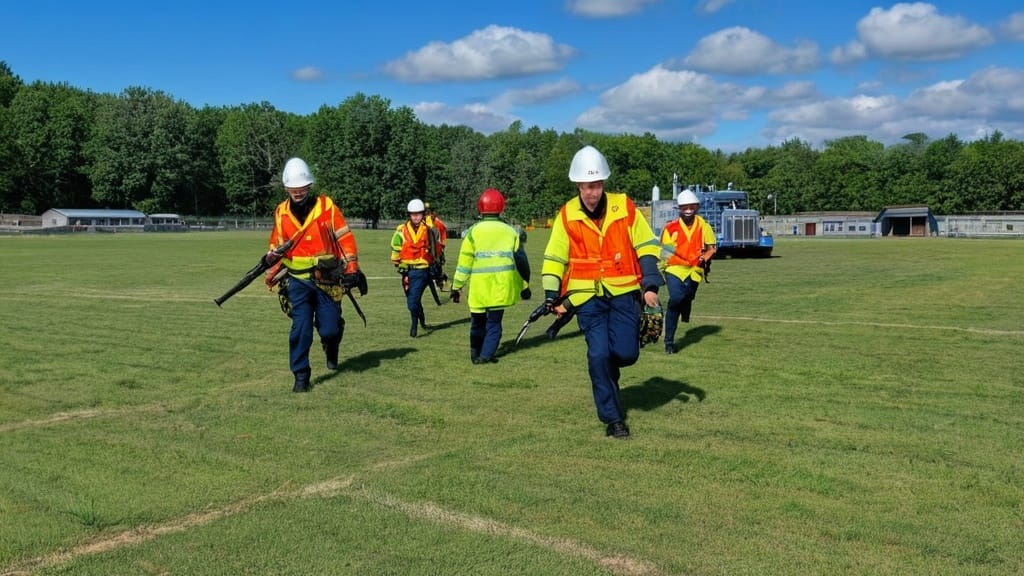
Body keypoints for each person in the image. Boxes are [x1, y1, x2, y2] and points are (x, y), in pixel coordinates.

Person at [541, 145, 663, 439]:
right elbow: (555, 257)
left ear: (603, 183)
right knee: (598, 355)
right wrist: (550, 295)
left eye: (595, 185)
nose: (591, 192)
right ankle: (613, 419)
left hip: (624, 293)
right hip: (586, 299)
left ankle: (610, 372)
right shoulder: (567, 214)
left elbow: (646, 245)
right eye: (586, 186)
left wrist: (649, 285)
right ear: (578, 185)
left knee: (625, 353)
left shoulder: (625, 206)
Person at [264, 157, 361, 393]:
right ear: (286, 188)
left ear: (309, 186)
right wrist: (271, 267)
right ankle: (301, 375)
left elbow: (344, 236)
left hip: (326, 279)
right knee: (301, 328)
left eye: (301, 187)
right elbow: (277, 244)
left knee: (329, 329)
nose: (297, 192)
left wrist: (352, 268)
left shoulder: (326, 207)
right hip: (296, 281)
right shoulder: (281, 211)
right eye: (293, 188)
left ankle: (332, 345)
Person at [449, 189, 531, 364]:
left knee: (477, 323)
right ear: (501, 208)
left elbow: (464, 264)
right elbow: (520, 263)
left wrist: (456, 286)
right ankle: (486, 356)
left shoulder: (473, 232)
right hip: (501, 287)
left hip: (479, 288)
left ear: (480, 208)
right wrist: (525, 286)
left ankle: (475, 353)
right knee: (494, 323)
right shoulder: (511, 232)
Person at [659, 188, 716, 354]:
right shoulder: (670, 228)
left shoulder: (704, 226)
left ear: (696, 207)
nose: (688, 210)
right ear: (679, 209)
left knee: (687, 297)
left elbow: (711, 248)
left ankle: (686, 306)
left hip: (695, 269)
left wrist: (704, 258)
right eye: (685, 207)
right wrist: (661, 270)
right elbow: (664, 253)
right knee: (676, 298)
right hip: (674, 268)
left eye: (692, 207)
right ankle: (669, 342)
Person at [391, 198, 443, 337]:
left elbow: (436, 248)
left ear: (423, 214)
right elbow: (396, 247)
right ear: (409, 215)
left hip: (421, 270)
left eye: (418, 214)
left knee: (412, 302)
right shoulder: (401, 230)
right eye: (413, 214)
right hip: (406, 271)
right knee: (412, 300)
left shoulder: (428, 230)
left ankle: (414, 326)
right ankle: (421, 319)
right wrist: (397, 262)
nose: (415, 217)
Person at [424, 202, 449, 289]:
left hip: (437, 247)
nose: (428, 213)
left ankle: (441, 281)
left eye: (429, 211)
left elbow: (441, 234)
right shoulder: (425, 221)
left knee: (437, 265)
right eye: (426, 211)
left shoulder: (438, 223)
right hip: (430, 247)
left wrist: (441, 246)